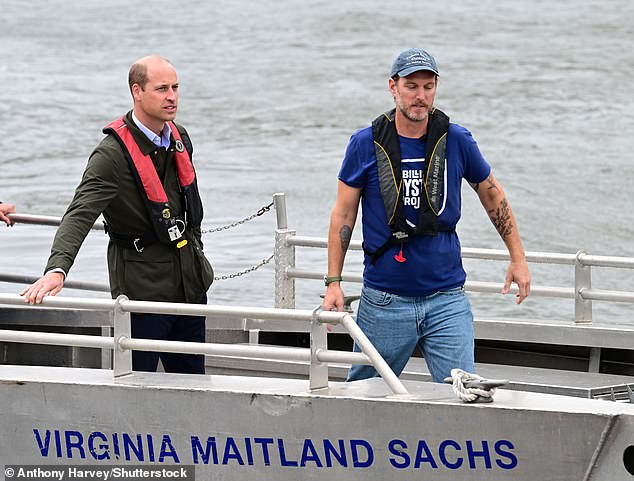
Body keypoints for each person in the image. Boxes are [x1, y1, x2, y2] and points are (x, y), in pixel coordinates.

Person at [323, 48, 530, 383]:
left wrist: (518, 258)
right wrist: (334, 282)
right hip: (385, 300)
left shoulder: (457, 140)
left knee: (463, 394)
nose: (420, 96)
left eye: (428, 86)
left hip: (446, 298)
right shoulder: (364, 143)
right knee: (364, 397)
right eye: (411, 86)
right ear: (393, 87)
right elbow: (343, 214)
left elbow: (492, 194)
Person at [21, 55, 214, 374]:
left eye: (176, 88)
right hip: (143, 292)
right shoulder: (111, 156)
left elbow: (186, 210)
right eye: (162, 88)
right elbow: (79, 214)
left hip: (189, 287)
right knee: (135, 386)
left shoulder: (179, 137)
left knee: (193, 384)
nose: (172, 97)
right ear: (137, 91)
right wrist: (57, 268)